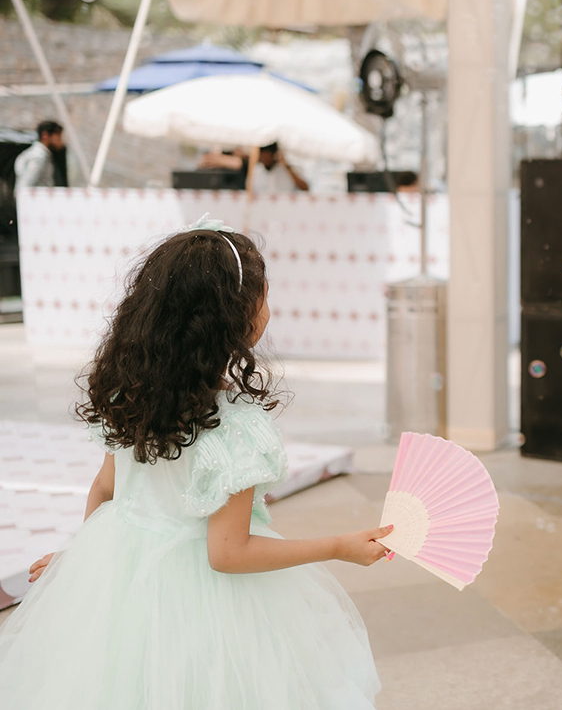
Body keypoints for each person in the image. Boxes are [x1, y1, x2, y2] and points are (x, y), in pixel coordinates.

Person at [0, 214, 389, 708]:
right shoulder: (235, 425)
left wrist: (83, 566)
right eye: (263, 296)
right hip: (205, 606)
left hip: (121, 584)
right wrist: (338, 545)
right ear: (235, 317)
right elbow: (228, 554)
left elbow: (106, 489)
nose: (269, 307)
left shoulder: (130, 391)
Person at [198, 142, 310, 192]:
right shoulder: (256, 170)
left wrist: (287, 167)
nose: (264, 159)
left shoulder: (288, 170)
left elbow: (305, 188)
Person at [14, 120, 66, 189]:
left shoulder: (41, 155)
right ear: (45, 135)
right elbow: (26, 186)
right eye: (58, 136)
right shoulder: (38, 157)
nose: (60, 141)